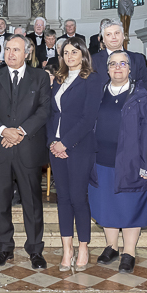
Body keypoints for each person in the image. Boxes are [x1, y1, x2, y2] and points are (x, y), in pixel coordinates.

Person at [88, 50, 147, 274]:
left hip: (131, 163)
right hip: (101, 161)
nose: (117, 68)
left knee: (131, 208)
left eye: (122, 64)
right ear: (107, 68)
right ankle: (111, 247)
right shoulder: (97, 93)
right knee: (106, 206)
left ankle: (129, 252)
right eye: (113, 64)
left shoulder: (142, 96)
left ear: (130, 69)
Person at [0, 36, 51, 269]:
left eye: (16, 50)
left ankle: (35, 249)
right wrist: (4, 132)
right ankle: (4, 247)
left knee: (32, 201)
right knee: (0, 201)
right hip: (0, 147)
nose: (10, 54)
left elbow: (44, 109)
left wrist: (20, 132)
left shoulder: (40, 77)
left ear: (27, 52)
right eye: (7, 49)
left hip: (28, 147)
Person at [47, 37, 103, 271]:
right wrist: (53, 142)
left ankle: (83, 247)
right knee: (63, 199)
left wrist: (66, 144)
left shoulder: (92, 79)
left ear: (83, 54)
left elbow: (88, 119)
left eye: (74, 52)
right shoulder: (59, 79)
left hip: (79, 147)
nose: (69, 56)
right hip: (56, 147)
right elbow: (52, 113)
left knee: (79, 198)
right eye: (66, 53)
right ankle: (66, 247)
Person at [92, 19, 147, 90]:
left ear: (123, 36)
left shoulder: (138, 59)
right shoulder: (92, 61)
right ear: (103, 39)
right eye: (108, 34)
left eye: (117, 33)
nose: (113, 37)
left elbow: (144, 86)